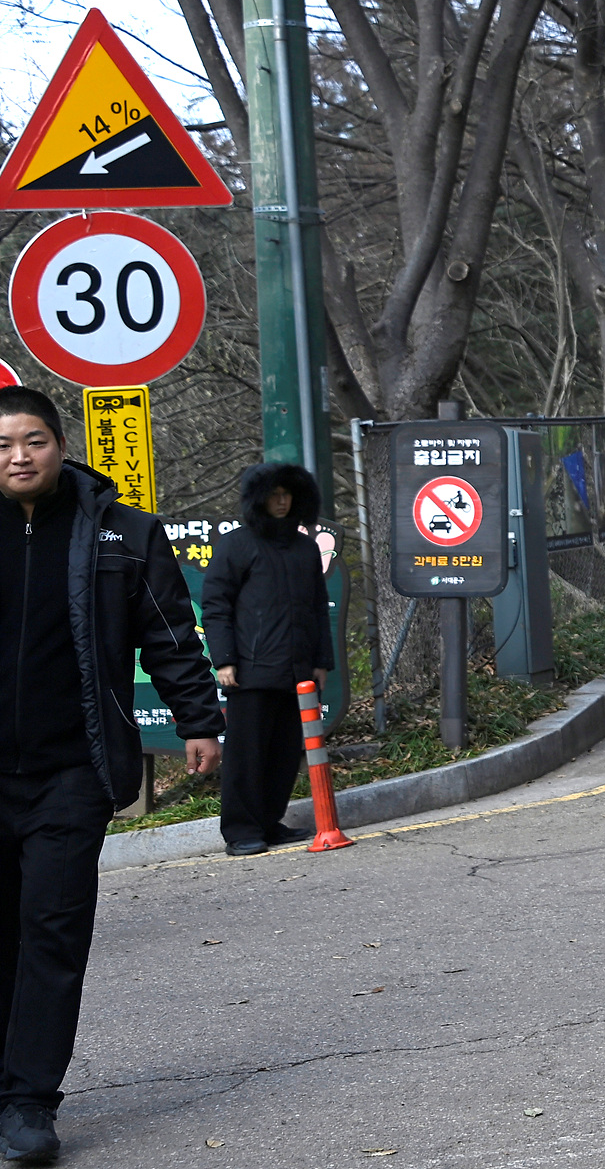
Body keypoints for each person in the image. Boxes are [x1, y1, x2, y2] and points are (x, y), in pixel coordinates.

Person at [0, 387, 221, 1163]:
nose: (19, 456)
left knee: (52, 932)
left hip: (73, 769)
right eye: (2, 445)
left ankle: (27, 1101)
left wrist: (198, 718)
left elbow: (167, 633)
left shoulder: (120, 533)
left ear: (61, 446)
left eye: (33, 440)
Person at [202, 462, 332, 859]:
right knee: (246, 755)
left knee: (284, 752)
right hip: (250, 672)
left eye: (287, 494)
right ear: (258, 498)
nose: (281, 501)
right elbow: (216, 605)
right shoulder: (237, 545)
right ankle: (240, 830)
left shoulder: (305, 547)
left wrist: (321, 662)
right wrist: (224, 660)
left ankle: (269, 822)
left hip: (296, 671)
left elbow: (316, 609)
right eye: (273, 494)